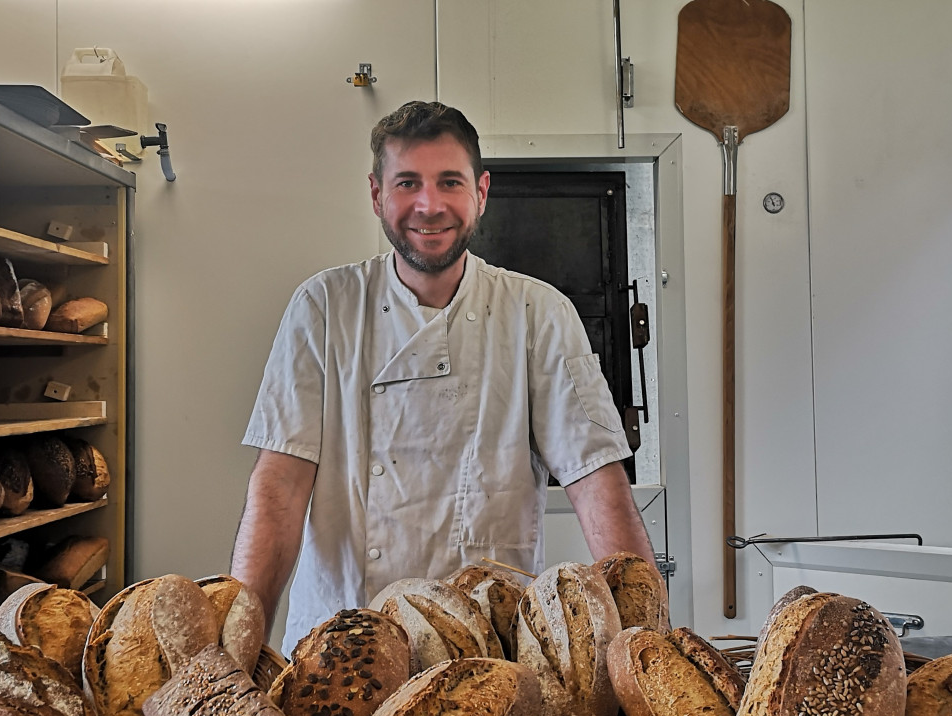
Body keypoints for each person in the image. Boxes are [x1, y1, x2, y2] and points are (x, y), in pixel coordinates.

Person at [232, 100, 656, 656]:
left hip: (492, 662)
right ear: (377, 194)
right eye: (407, 182)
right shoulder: (324, 307)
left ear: (480, 193)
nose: (429, 206)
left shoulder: (536, 313)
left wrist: (649, 650)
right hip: (339, 651)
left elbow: (597, 482)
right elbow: (279, 487)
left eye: (449, 182)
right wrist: (236, 653)